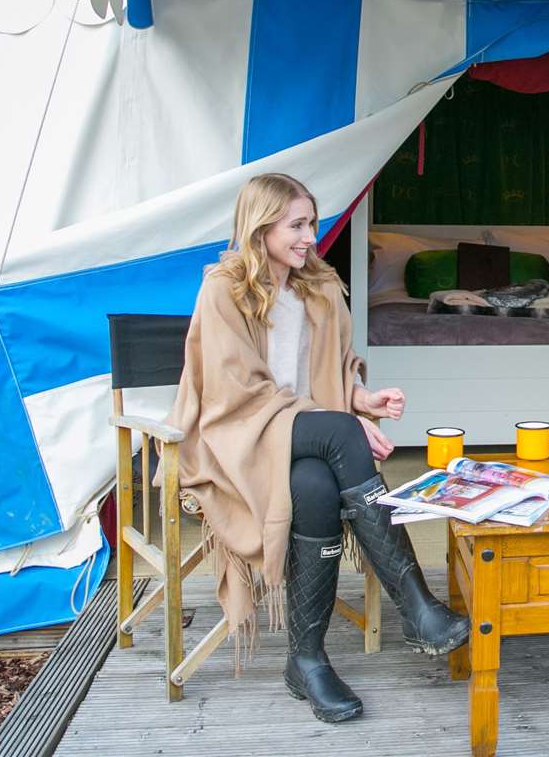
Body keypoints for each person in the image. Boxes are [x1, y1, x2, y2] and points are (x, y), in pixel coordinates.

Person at [163, 173, 469, 723]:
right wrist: (342, 423)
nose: (311, 236)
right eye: (297, 225)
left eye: (312, 223)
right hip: (242, 435)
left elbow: (328, 375)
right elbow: (235, 392)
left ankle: (306, 660)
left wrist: (360, 399)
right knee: (338, 438)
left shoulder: (318, 286)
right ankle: (417, 606)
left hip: (306, 439)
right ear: (261, 228)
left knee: (315, 486)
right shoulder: (223, 290)